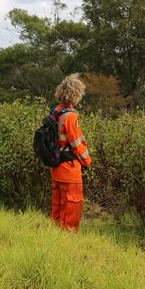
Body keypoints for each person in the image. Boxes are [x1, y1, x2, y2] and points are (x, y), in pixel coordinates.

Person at [49, 74, 91, 232]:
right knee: (72, 206)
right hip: (69, 168)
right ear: (76, 94)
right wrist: (88, 162)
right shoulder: (70, 116)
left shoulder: (55, 112)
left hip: (56, 166)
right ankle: (69, 241)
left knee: (58, 206)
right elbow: (77, 143)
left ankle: (55, 237)